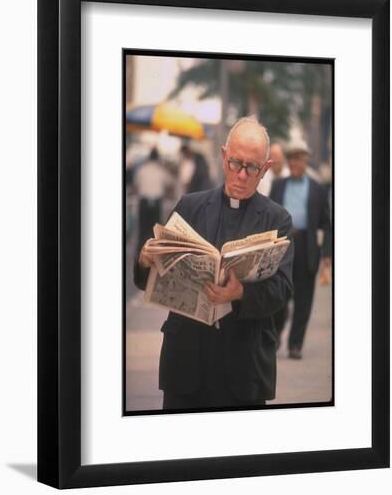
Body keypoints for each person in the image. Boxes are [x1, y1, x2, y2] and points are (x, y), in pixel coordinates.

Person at [133, 116, 294, 411]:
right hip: (185, 366)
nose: (242, 175)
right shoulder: (190, 206)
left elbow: (282, 290)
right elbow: (148, 280)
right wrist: (145, 261)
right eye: (236, 163)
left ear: (266, 169)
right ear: (223, 157)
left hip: (243, 371)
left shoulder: (277, 219)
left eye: (252, 167)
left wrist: (240, 293)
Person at [269, 139, 331, 359]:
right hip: (282, 245)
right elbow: (268, 215)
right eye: (292, 158)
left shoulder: (318, 189)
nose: (295, 162)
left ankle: (295, 344)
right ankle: (275, 337)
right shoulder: (278, 184)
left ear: (306, 162)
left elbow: (327, 223)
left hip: (307, 247)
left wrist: (326, 255)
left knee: (304, 300)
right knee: (278, 295)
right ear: (288, 160)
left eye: (300, 159)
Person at [133, 147, 171, 255]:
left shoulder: (142, 169)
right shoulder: (161, 170)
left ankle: (140, 254)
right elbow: (168, 185)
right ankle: (154, 255)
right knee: (155, 231)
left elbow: (136, 185)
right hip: (156, 203)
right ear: (158, 158)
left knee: (142, 230)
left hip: (144, 202)